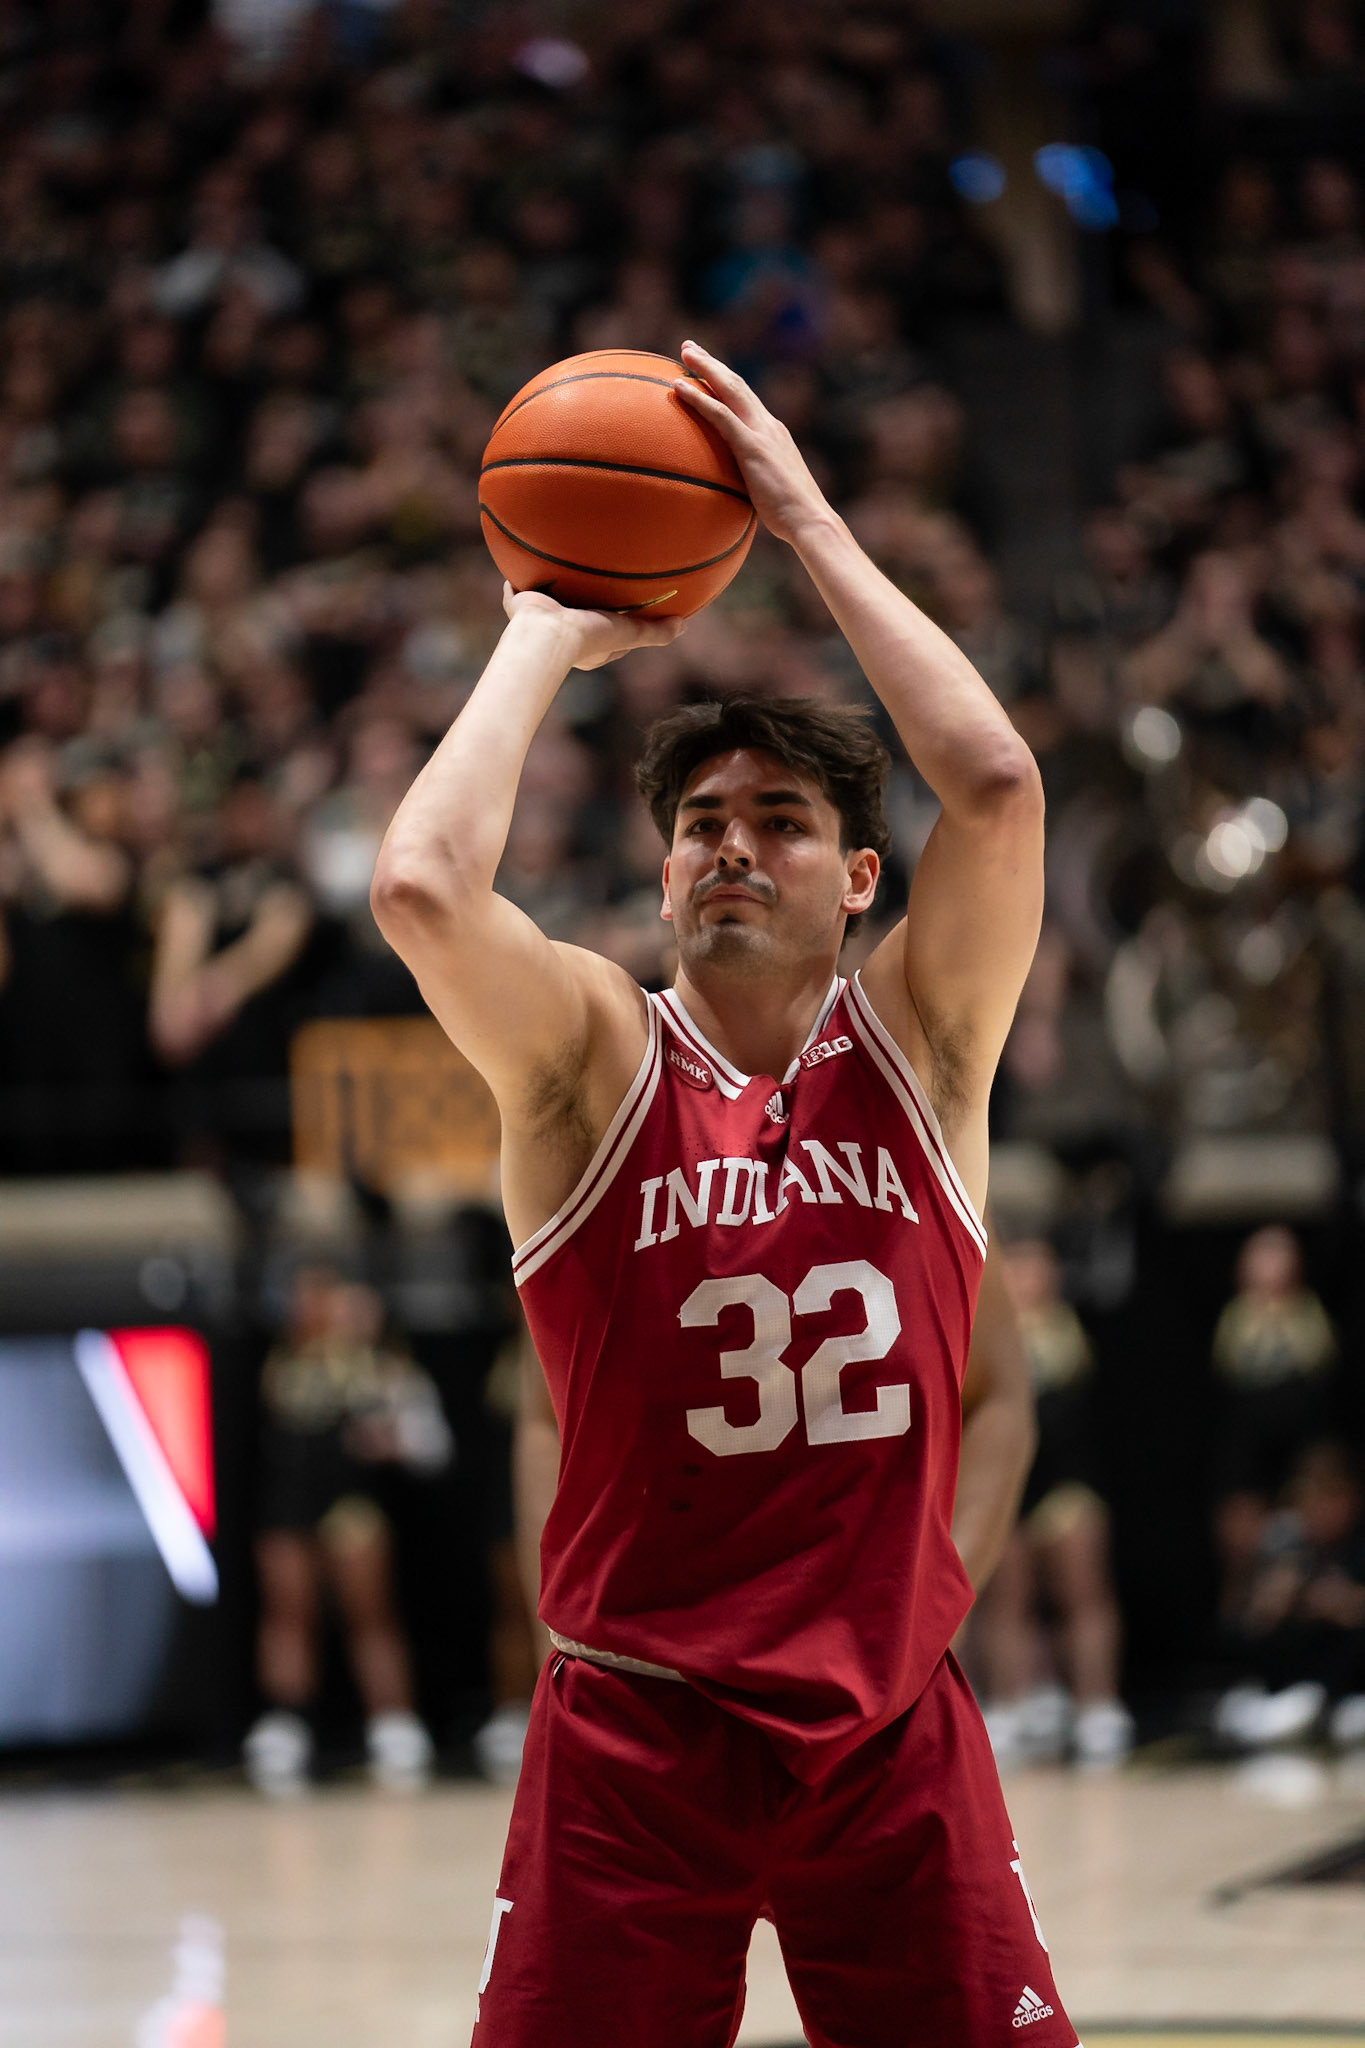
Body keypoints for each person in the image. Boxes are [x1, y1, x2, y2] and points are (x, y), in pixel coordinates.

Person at [372, 340, 1064, 2048]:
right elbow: (420, 881)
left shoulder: (925, 1038)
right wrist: (545, 618)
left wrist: (806, 520)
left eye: (780, 817)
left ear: (858, 879)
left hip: (883, 1729)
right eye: (698, 821)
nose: (732, 843)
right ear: (661, 872)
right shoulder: (592, 1054)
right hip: (636, 1731)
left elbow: (995, 782)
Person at [244, 1266, 451, 1796]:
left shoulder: (382, 1367)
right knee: (288, 1613)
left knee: (370, 1616)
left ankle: (393, 1722)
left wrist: (394, 1442)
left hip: (352, 1506)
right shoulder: (280, 1362)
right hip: (290, 1504)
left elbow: (432, 1447)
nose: (314, 1309)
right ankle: (287, 1722)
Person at [971, 1238, 1134, 1771]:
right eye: (1017, 1270)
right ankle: (1009, 1705)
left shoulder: (1080, 1329)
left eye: (1038, 1270)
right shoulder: (990, 1335)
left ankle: (1097, 1704)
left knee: (1084, 1591)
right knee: (1005, 1602)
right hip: (1012, 1486)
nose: (1028, 1280)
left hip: (1069, 1481)